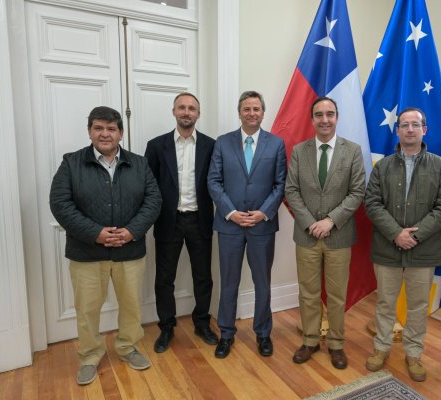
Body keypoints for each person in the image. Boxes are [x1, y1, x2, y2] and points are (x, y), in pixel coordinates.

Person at [49, 106, 161, 385]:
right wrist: (95, 233)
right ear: (89, 131)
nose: (105, 133)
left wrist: (131, 231)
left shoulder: (139, 163)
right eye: (98, 128)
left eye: (111, 128)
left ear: (121, 133)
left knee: (131, 306)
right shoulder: (71, 163)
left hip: (129, 251)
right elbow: (60, 204)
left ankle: (128, 347)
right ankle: (89, 356)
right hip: (86, 253)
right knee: (87, 310)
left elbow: (153, 200)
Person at [363, 108, 441, 381]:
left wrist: (415, 236)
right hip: (387, 247)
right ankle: (381, 348)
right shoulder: (382, 167)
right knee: (385, 302)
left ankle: (414, 353)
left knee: (418, 305)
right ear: (397, 130)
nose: (409, 129)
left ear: (424, 130)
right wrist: (396, 233)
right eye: (404, 125)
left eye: (415, 125)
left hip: (424, 249)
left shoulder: (440, 166)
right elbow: (372, 203)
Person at [285, 96, 365, 369]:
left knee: (336, 294)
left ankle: (336, 344)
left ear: (337, 117)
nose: (324, 119)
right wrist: (310, 223)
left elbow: (357, 192)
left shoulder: (352, 150)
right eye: (319, 115)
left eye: (329, 114)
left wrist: (331, 221)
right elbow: (291, 190)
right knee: (308, 292)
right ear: (312, 119)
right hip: (306, 235)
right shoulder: (300, 151)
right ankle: (310, 340)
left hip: (339, 235)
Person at [207, 90, 287, 359]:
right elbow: (213, 181)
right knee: (228, 282)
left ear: (263, 112)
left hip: (262, 226)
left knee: (262, 282)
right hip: (230, 226)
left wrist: (263, 213)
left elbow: (280, 184)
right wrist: (231, 213)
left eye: (256, 109)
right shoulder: (223, 142)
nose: (251, 113)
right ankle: (226, 334)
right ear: (239, 112)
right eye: (246, 109)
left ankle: (263, 333)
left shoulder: (276, 144)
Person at [144, 92, 218, 353]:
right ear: (174, 111)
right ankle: (166, 327)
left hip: (200, 219)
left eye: (192, 108)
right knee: (164, 278)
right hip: (168, 221)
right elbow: (149, 185)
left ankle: (202, 323)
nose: (187, 112)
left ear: (198, 114)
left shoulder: (211, 145)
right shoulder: (156, 146)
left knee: (203, 277)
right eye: (182, 107)